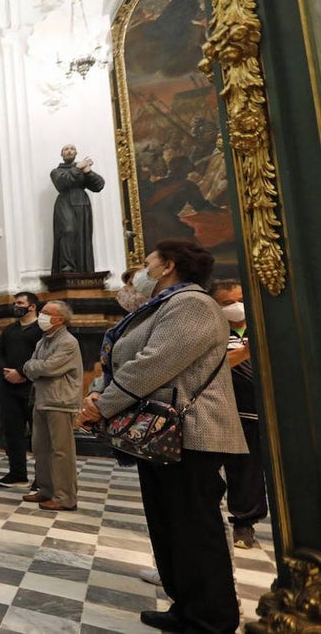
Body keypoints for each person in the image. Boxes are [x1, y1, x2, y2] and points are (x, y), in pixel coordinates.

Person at [80, 239, 246, 633]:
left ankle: (212, 618)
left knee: (194, 526)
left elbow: (154, 363)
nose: (143, 268)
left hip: (192, 431)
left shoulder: (191, 304)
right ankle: (186, 606)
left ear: (168, 265)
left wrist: (103, 403)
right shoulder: (161, 306)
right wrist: (101, 392)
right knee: (169, 525)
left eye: (147, 262)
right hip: (161, 433)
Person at [209, 279, 267, 549]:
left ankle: (246, 524)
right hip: (221, 412)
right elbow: (213, 364)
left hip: (258, 413)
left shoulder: (262, 327)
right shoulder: (213, 333)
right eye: (228, 303)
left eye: (240, 300)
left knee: (249, 471)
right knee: (221, 472)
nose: (236, 307)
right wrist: (245, 352)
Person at [20, 301, 83, 511]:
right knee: (41, 449)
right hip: (41, 399)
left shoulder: (68, 341)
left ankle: (65, 498)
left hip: (60, 402)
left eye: (47, 313)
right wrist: (34, 367)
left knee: (61, 452)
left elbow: (47, 367)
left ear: (60, 319)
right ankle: (46, 490)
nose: (42, 316)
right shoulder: (42, 341)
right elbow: (30, 366)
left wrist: (34, 367)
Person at [0, 292, 42, 487]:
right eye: (15, 303)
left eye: (20, 303)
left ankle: (42, 477)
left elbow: (42, 357)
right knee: (12, 432)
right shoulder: (9, 330)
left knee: (39, 436)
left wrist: (21, 373)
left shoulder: (41, 330)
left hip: (32, 388)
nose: (16, 306)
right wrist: (6, 373)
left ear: (32, 306)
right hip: (8, 389)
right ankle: (17, 472)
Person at [50, 144, 106, 274]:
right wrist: (78, 168)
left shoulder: (82, 169)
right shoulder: (56, 171)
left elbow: (98, 186)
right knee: (67, 231)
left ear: (76, 153)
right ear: (61, 154)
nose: (69, 151)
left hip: (82, 203)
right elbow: (61, 183)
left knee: (83, 234)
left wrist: (88, 172)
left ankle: (83, 267)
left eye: (72, 149)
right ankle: (67, 267)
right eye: (65, 149)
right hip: (65, 203)